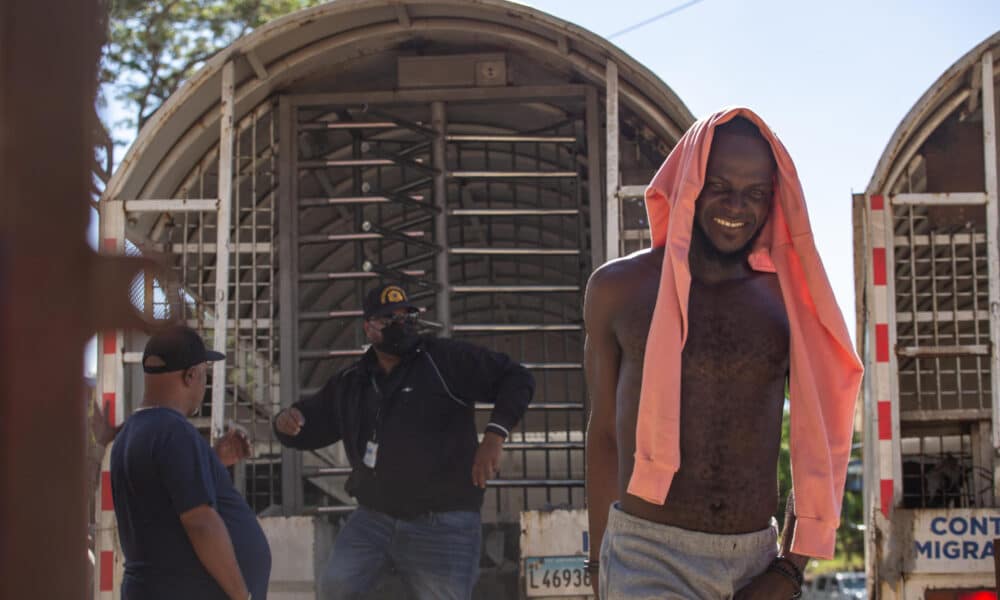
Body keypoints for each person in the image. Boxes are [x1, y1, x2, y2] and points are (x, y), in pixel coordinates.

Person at [584, 108, 863, 600]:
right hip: (647, 556)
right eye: (719, 186)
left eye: (756, 192)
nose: (737, 206)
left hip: (756, 561)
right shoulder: (619, 290)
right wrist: (599, 558)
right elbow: (604, 431)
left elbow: (824, 441)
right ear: (689, 184)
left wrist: (791, 568)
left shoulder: (787, 303)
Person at [274, 283, 534, 600]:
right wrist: (286, 424)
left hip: (443, 524)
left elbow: (517, 377)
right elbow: (311, 423)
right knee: (335, 587)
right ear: (369, 328)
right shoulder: (352, 381)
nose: (402, 325)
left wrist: (495, 434)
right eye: (389, 319)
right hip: (374, 519)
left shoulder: (445, 360)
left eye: (406, 316)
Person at [110, 325, 271, 600]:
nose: (204, 384)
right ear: (190, 375)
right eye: (204, 374)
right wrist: (241, 596)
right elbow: (200, 522)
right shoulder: (175, 432)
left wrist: (213, 461)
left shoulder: (133, 432)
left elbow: (163, 498)